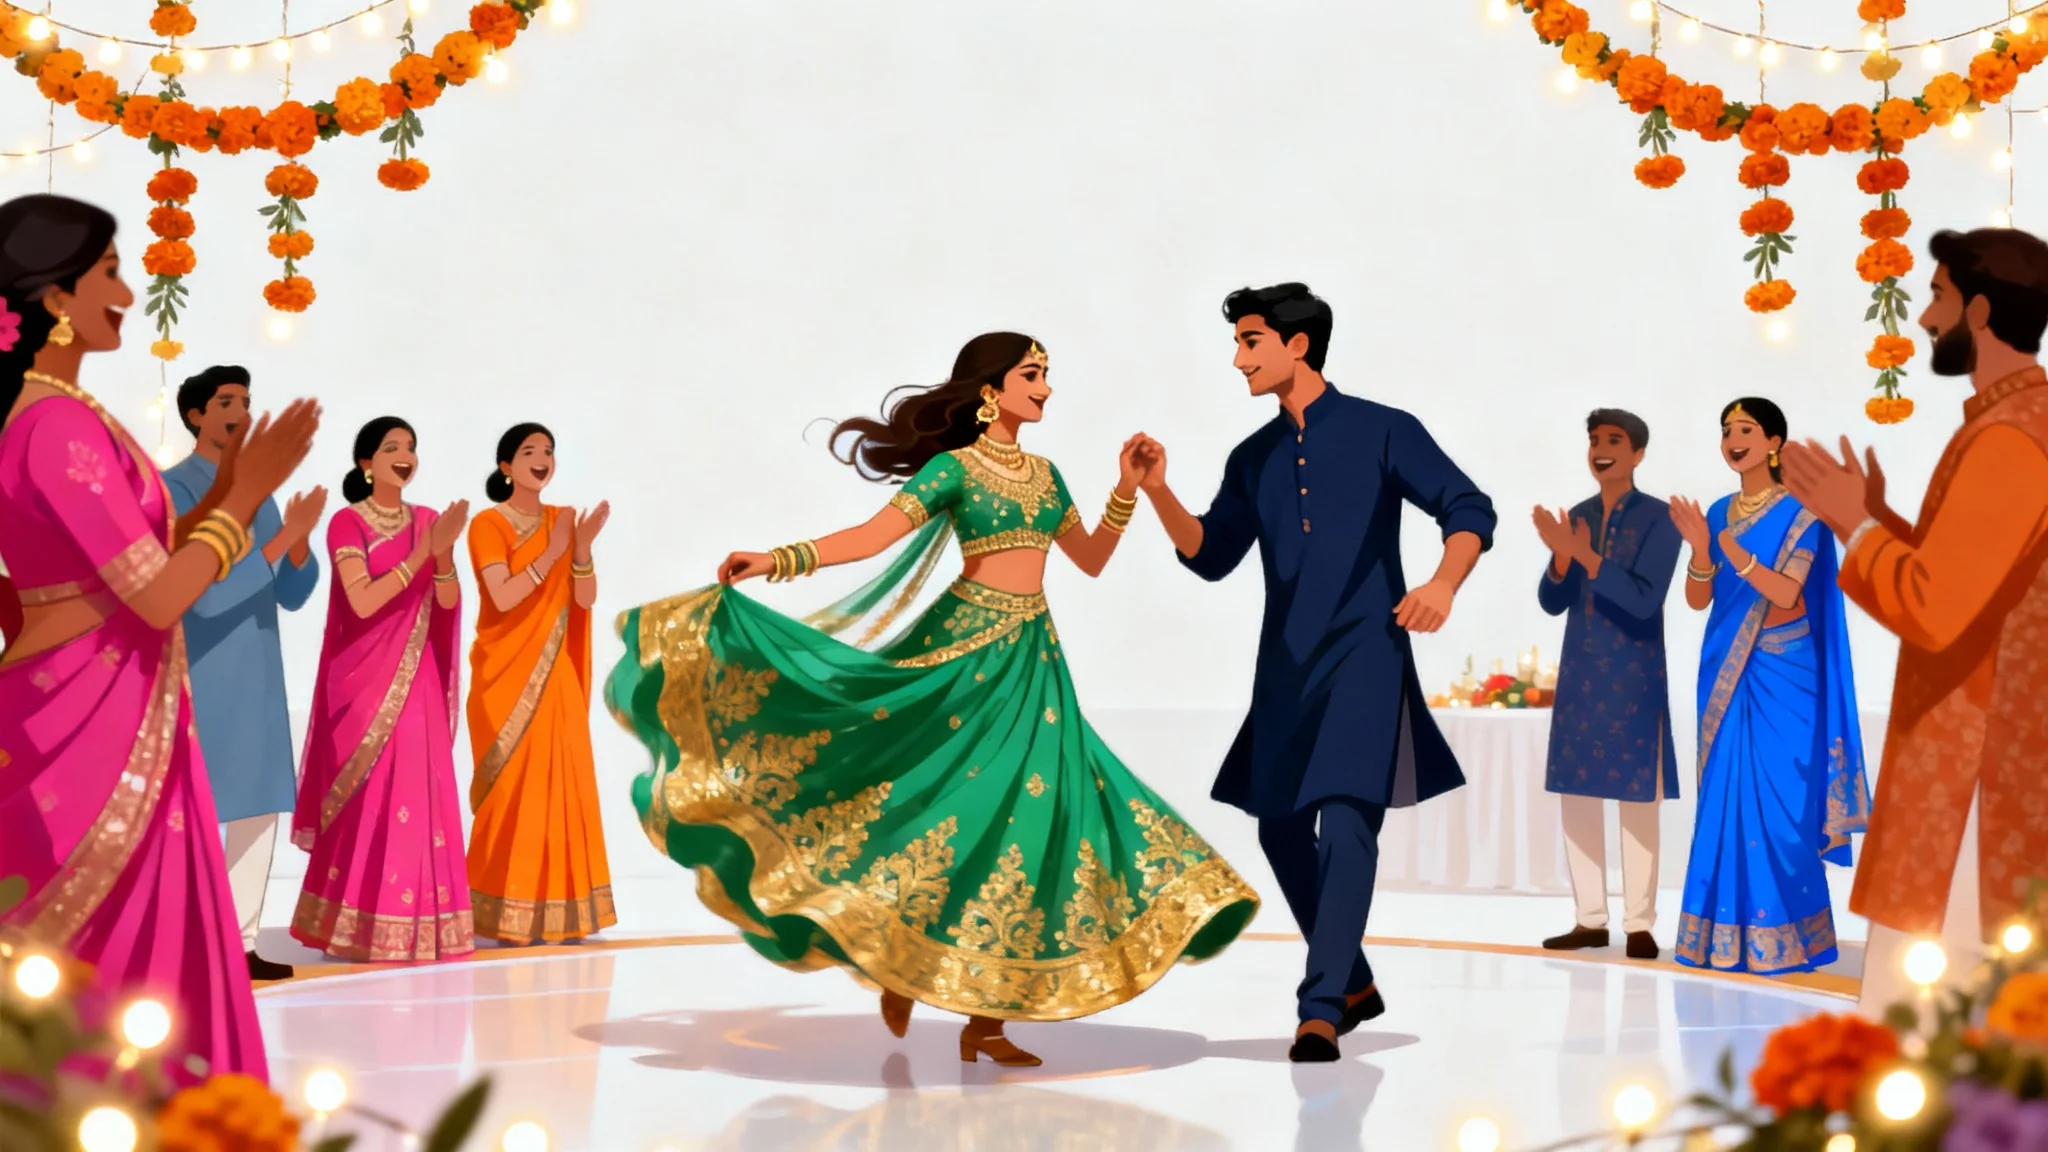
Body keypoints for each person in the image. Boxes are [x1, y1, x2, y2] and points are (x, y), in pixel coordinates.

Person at [607, 333, 1259, 1068]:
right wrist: (778, 559)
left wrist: (1126, 489)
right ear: (991, 389)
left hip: (1031, 666)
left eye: (1047, 376)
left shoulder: (1047, 477)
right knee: (930, 814)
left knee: (1026, 829)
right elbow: (872, 537)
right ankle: (900, 957)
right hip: (959, 660)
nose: (1046, 388)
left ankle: (984, 1019)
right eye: (1033, 375)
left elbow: (1091, 560)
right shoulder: (955, 470)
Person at [1130, 283, 1497, 1062]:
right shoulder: (1252, 457)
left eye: (1251, 342)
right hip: (1286, 666)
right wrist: (1159, 491)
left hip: (1367, 652)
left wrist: (1441, 584)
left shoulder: (1383, 430)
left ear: (1298, 345)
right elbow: (1210, 555)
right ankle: (1355, 981)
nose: (1238, 360)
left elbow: (1468, 508)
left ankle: (1320, 1007)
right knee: (1280, 826)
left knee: (1348, 820)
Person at [0, 193, 319, 1079]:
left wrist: (226, 501)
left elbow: (131, 562)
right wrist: (246, 500)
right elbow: (153, 597)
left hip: (95, 697)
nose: (130, 293)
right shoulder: (56, 424)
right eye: (108, 272)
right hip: (86, 718)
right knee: (108, 938)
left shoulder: (54, 412)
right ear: (56, 297)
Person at [1780, 227, 2048, 1016]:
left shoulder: (2011, 438)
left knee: (1938, 1025)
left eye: (1936, 296)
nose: (1926, 320)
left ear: (1981, 308)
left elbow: (1933, 608)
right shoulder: (2009, 423)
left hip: (1975, 776)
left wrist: (1853, 527)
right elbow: (1966, 575)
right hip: (1975, 760)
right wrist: (1871, 520)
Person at [1667, 398, 1869, 975]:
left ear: (1774, 442)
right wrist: (1702, 552)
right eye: (1727, 430)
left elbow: (1786, 595)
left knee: (1785, 809)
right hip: (1727, 674)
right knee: (1725, 803)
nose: (1734, 439)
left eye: (1747, 429)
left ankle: (1790, 939)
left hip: (1787, 674)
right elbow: (1698, 599)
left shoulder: (1803, 513)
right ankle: (1718, 939)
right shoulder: (1716, 510)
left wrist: (1735, 553)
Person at [290, 417, 475, 962]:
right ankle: (352, 927)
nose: (405, 454)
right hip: (361, 684)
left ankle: (419, 926)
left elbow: (445, 605)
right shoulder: (346, 523)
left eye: (411, 447)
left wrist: (443, 555)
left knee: (416, 794)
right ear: (366, 463)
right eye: (392, 447)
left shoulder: (429, 520)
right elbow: (363, 601)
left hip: (414, 680)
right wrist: (425, 552)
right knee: (366, 801)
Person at [164, 364, 326, 981]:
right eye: (226, 401)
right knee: (195, 810)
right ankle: (185, 940)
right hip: (203, 673)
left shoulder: (260, 496)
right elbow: (202, 593)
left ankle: (243, 941)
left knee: (257, 811)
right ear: (196, 415)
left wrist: (300, 542)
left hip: (259, 670)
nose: (239, 411)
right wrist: (286, 534)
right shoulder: (175, 490)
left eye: (246, 401)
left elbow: (290, 593)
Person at [1533, 409, 1681, 961]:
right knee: (1577, 796)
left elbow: (1645, 599)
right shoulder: (1577, 516)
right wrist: (1559, 561)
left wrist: (1587, 557)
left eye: (1614, 441)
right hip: (1581, 673)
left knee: (1638, 798)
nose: (1601, 449)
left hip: (1635, 675)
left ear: (1638, 453)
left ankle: (1639, 922)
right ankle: (1589, 919)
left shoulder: (1662, 520)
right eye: (1594, 440)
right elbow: (1552, 602)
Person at [465, 423, 615, 945]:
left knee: (562, 787)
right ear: (506, 466)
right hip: (504, 676)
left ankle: (562, 910)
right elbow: (503, 597)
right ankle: (499, 909)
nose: (542, 459)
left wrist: (582, 548)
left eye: (548, 451)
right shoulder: (488, 524)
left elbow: (586, 600)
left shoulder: (562, 521)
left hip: (556, 677)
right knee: (511, 792)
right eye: (529, 451)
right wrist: (553, 550)